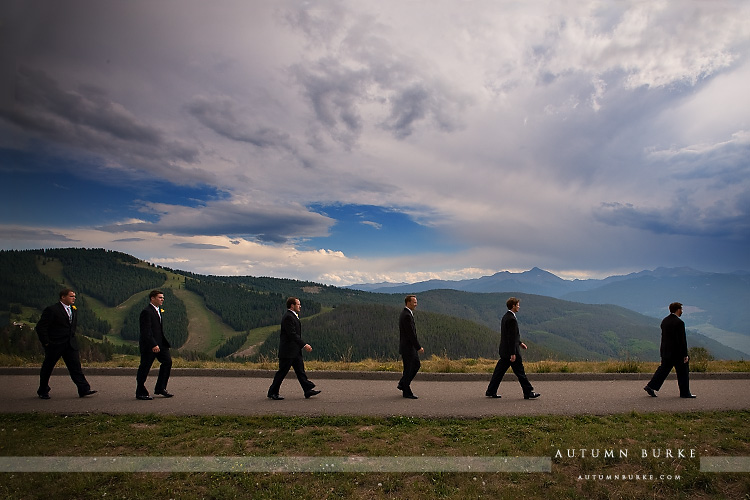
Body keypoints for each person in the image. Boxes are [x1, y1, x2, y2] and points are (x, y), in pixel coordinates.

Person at [35, 288, 97, 399]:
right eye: (71, 296)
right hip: (55, 344)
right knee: (48, 367)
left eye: (74, 296)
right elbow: (41, 327)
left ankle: (83, 389)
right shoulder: (52, 310)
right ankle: (43, 390)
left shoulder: (73, 310)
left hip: (70, 344)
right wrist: (46, 343)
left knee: (75, 367)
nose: (74, 298)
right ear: (63, 297)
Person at [485, 297, 540, 400]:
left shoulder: (506, 316)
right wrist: (513, 353)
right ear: (513, 306)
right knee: (520, 373)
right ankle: (528, 392)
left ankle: (491, 391)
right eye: (518, 305)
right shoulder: (511, 319)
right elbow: (510, 337)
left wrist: (520, 343)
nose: (519, 307)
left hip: (505, 351)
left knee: (499, 372)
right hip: (511, 352)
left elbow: (510, 335)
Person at [267, 297, 320, 400]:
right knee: (282, 372)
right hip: (288, 351)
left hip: (294, 351)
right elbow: (292, 334)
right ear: (292, 305)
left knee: (300, 371)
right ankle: (273, 392)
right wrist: (304, 345)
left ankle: (307, 390)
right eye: (298, 304)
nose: (300, 306)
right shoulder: (288, 317)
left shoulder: (293, 316)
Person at [644, 302, 696, 398]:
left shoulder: (665, 321)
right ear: (678, 310)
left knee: (663, 370)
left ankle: (650, 386)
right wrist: (685, 354)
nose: (682, 311)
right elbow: (682, 340)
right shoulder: (679, 323)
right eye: (681, 309)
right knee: (683, 373)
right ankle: (685, 393)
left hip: (666, 351)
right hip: (677, 353)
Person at [136, 290, 173, 400]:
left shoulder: (158, 310)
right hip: (149, 345)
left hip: (160, 344)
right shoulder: (146, 311)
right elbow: (145, 331)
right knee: (145, 367)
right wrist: (153, 344)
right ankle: (140, 392)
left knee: (167, 362)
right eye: (160, 297)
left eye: (163, 297)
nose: (162, 299)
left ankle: (160, 388)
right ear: (152, 298)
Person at [397, 294, 424, 399]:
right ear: (408, 303)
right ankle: (406, 391)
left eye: (416, 302)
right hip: (408, 348)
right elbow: (411, 334)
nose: (416, 304)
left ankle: (402, 383)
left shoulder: (406, 313)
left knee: (415, 365)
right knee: (410, 368)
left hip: (408, 347)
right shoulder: (407, 315)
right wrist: (418, 347)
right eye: (414, 302)